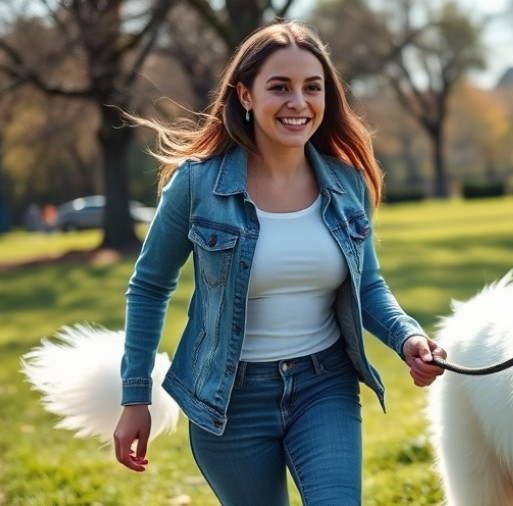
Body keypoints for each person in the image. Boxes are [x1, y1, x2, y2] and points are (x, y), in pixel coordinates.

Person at [113, 19, 447, 505]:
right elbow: (149, 287)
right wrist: (135, 396)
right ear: (245, 95)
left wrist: (407, 336)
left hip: (324, 385)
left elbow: (367, 285)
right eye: (280, 87)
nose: (299, 102)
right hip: (230, 401)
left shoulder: (347, 183)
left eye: (312, 87)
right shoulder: (197, 185)